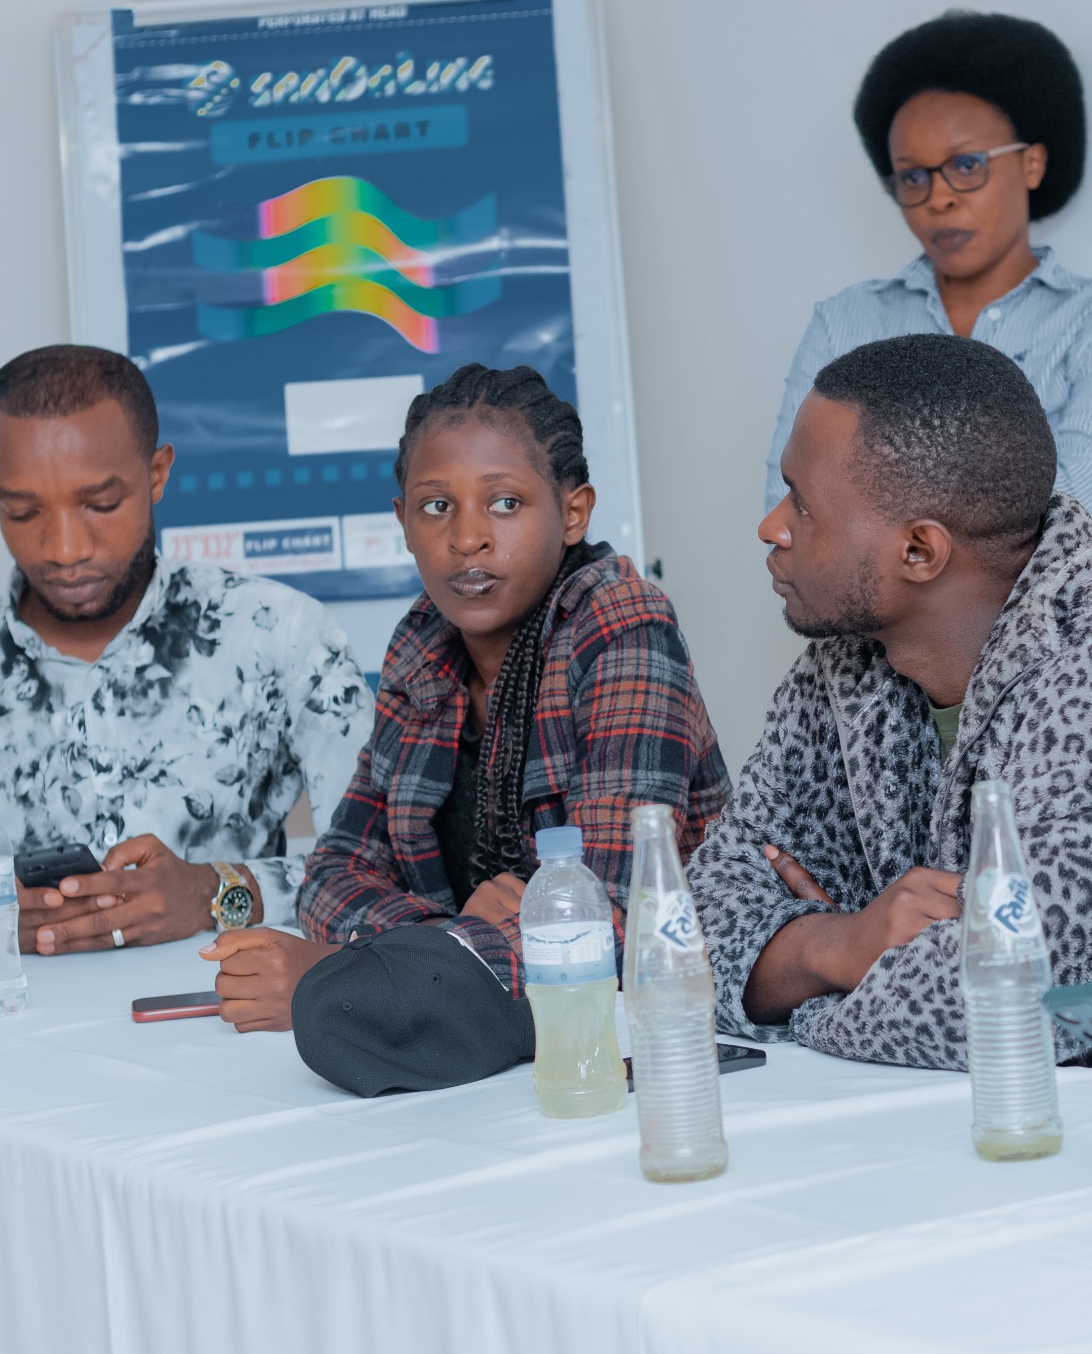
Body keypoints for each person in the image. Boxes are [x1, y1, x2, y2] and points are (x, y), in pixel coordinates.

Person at [696, 332, 1092, 1069]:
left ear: (920, 551)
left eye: (802, 505)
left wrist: (798, 982)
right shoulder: (845, 661)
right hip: (972, 1116)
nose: (771, 526)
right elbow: (687, 938)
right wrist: (837, 946)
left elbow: (1005, 1007)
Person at [204, 363, 729, 1032]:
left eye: (505, 503)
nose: (466, 537)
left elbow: (613, 924)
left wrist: (354, 973)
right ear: (403, 521)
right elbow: (333, 874)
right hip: (482, 1029)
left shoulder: (621, 628)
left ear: (573, 513)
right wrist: (443, 938)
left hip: (647, 1034)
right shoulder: (423, 642)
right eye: (436, 506)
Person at [0, 345, 368, 967]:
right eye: (22, 511)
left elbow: (373, 874)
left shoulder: (280, 636)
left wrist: (214, 893)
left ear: (157, 473)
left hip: (224, 1013)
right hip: (21, 1025)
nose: (65, 548)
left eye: (101, 504)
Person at [763, 11, 1092, 527]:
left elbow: (1073, 529)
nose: (939, 198)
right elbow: (793, 513)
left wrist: (878, 519)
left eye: (967, 165)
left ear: (1032, 164)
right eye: (913, 177)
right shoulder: (844, 322)